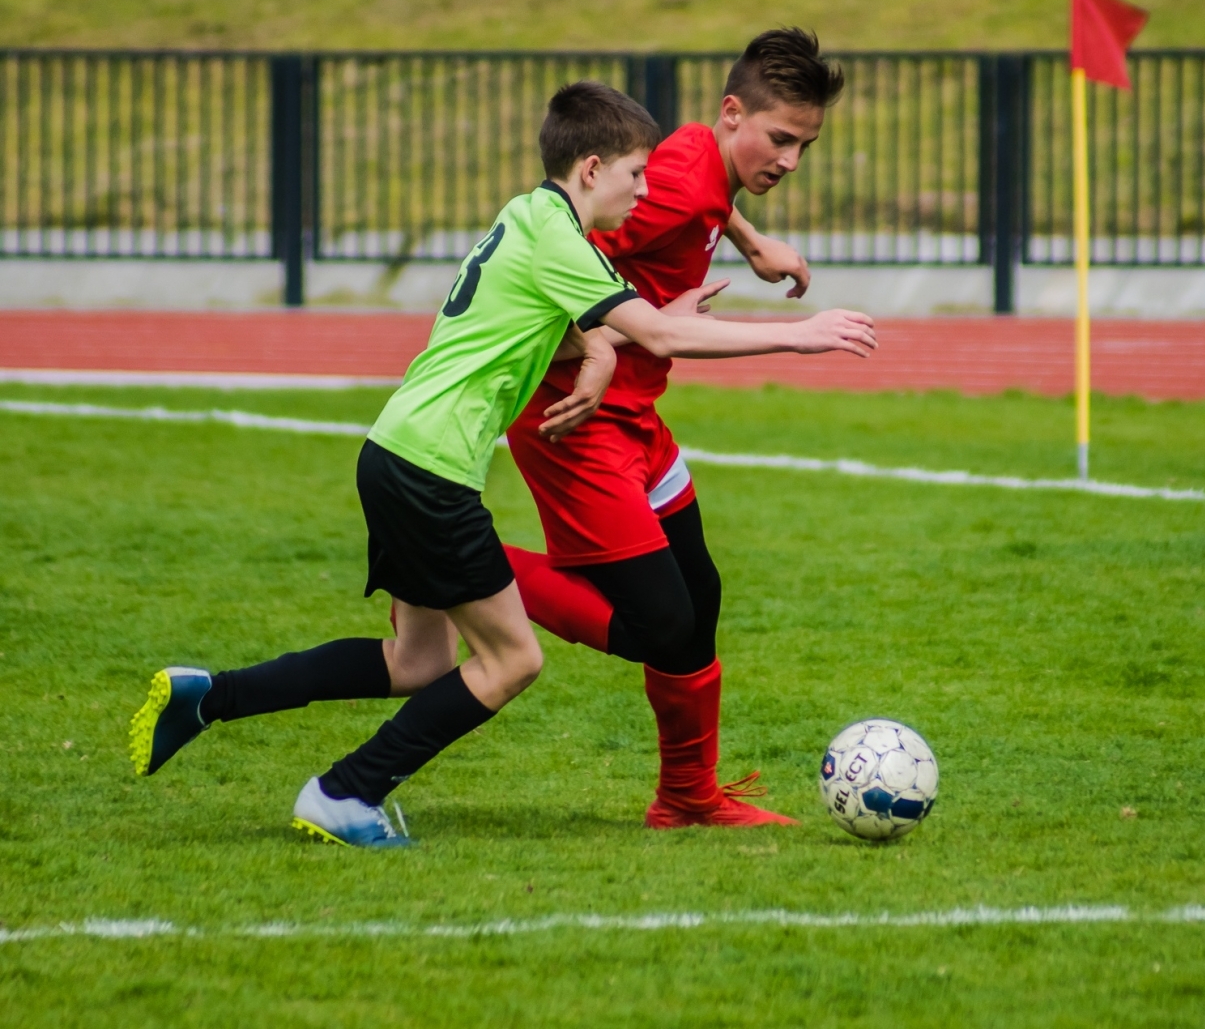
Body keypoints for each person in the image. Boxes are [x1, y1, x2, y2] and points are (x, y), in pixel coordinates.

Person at [127, 80, 874, 849]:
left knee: (417, 662)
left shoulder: (529, 215)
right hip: (432, 475)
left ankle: (210, 696)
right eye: (634, 177)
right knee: (513, 659)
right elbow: (654, 335)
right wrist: (799, 334)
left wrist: (613, 341)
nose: (647, 192)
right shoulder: (565, 243)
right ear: (591, 170)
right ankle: (343, 793)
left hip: (394, 452)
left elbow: (595, 323)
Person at [500, 28, 867, 830]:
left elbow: (695, 203)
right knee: (658, 627)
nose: (791, 161)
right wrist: (603, 341)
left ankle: (686, 800)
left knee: (698, 596)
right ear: (733, 113)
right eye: (779, 139)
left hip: (637, 416)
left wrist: (749, 238)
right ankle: (454, 564)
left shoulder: (700, 156)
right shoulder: (679, 180)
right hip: (578, 417)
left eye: (805, 145)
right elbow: (555, 247)